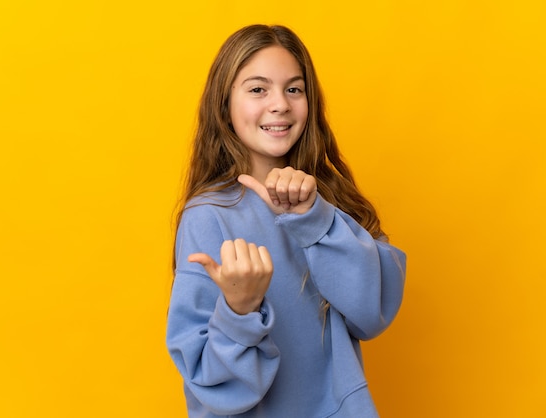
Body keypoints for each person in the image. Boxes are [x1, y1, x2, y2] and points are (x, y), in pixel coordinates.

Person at [166, 24, 406, 418]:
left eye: (294, 89)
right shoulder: (207, 218)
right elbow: (213, 386)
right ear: (223, 104)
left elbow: (373, 311)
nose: (280, 104)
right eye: (258, 89)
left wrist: (314, 221)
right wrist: (239, 310)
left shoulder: (328, 202)